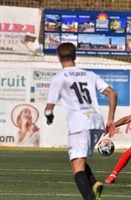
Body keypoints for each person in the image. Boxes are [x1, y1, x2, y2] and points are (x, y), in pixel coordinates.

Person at [44, 42, 117, 200]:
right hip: (96, 122)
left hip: (79, 124)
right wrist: (110, 119)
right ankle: (94, 184)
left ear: (58, 57)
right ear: (75, 56)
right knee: (78, 159)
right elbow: (112, 93)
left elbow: (48, 109)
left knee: (77, 166)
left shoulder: (59, 77)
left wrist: (49, 117)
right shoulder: (89, 74)